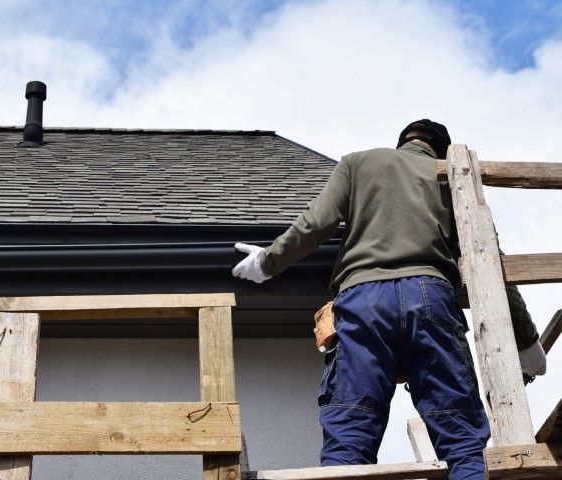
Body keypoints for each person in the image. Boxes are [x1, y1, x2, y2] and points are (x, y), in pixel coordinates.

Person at [232, 119, 546, 480]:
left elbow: (315, 223)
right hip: (430, 297)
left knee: (349, 433)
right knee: (460, 438)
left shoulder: (357, 163)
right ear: (440, 150)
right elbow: (487, 260)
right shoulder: (449, 174)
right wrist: (525, 341)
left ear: (402, 144)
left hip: (362, 299)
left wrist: (267, 261)